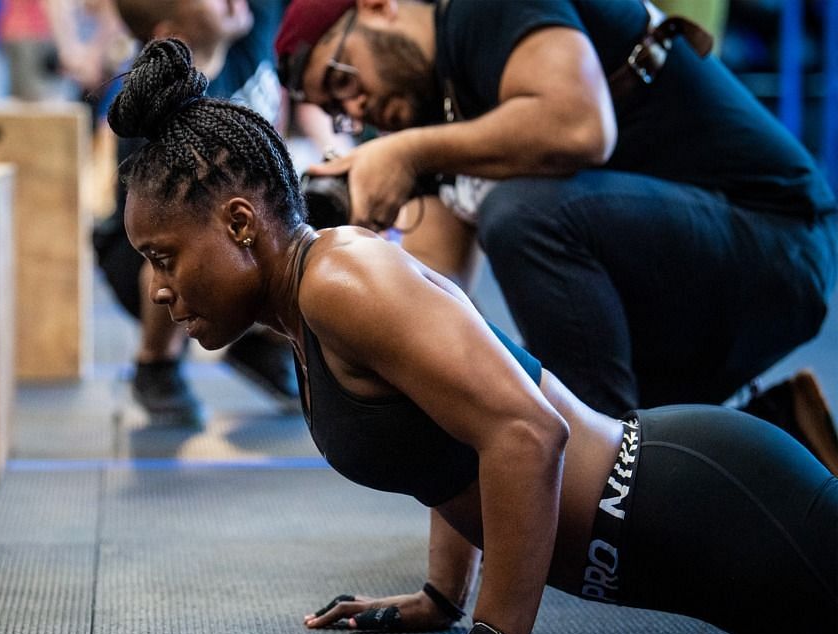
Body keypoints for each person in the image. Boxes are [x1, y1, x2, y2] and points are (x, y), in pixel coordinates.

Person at [107, 39, 836, 634]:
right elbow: (445, 438)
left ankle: (787, 420)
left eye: (164, 258)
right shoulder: (309, 305)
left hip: (712, 506)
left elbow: (527, 433)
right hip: (686, 550)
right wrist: (441, 598)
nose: (161, 289)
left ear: (239, 223)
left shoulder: (340, 281)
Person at [271, 0, 838, 473]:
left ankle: (620, 482)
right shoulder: (431, 114)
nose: (354, 107)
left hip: (779, 241)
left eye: (340, 80)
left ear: (379, 7)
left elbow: (579, 124)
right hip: (688, 280)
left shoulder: (484, 10)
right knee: (517, 369)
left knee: (524, 215)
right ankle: (777, 437)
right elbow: (439, 299)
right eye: (334, 110)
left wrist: (407, 152)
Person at [95, 0, 301, 427]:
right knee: (176, 239)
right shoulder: (158, 97)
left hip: (238, 232)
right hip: (144, 256)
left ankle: (261, 341)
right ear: (172, 31)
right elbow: (164, 221)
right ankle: (156, 365)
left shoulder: (249, 30)